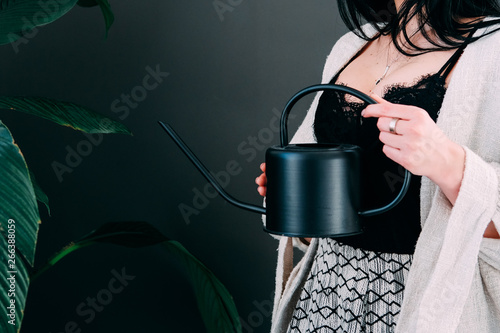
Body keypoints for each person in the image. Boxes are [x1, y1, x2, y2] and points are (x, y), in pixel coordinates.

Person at [255, 0, 500, 332]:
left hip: (426, 307)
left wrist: (448, 163)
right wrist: (296, 194)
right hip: (324, 295)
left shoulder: (492, 49)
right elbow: (322, 215)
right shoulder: (353, 43)